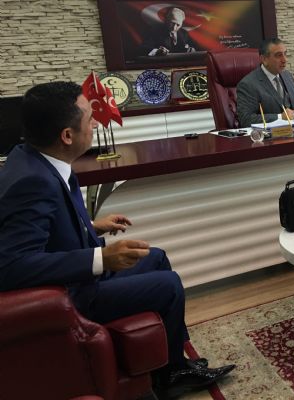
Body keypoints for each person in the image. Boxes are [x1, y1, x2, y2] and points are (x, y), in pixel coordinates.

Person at [0, 82, 234, 399]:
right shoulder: (33, 181)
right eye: (89, 119)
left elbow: (47, 225)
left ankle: (172, 360)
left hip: (78, 271)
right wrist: (102, 258)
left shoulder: (35, 158)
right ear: (67, 135)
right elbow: (12, 266)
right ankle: (171, 377)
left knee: (156, 256)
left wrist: (91, 226)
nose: (96, 124)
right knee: (168, 285)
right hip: (72, 293)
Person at [236, 37, 294, 127]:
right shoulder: (248, 84)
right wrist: (280, 117)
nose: (285, 60)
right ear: (264, 59)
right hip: (269, 135)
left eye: (285, 54)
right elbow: (246, 120)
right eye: (279, 55)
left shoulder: (288, 76)